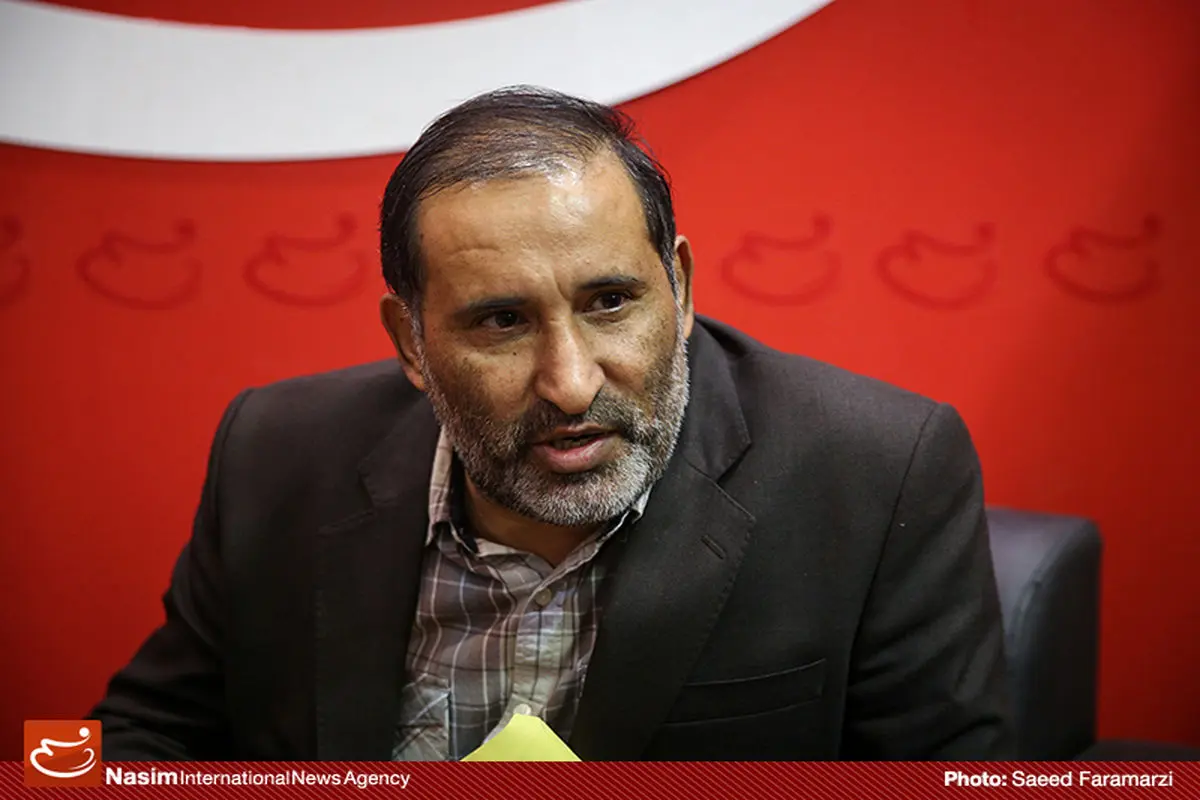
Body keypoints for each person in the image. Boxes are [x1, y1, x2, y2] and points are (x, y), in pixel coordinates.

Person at [92, 86, 1014, 761]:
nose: (571, 384)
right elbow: (141, 738)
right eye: (501, 321)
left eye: (611, 302)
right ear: (411, 343)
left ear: (681, 289)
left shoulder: (876, 469)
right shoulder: (279, 450)